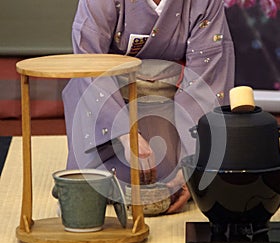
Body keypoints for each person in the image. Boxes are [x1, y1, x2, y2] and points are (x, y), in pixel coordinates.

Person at [62, 0, 235, 214]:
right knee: (86, 183)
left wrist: (194, 165)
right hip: (107, 97)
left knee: (164, 173)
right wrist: (125, 134)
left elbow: (206, 76)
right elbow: (88, 63)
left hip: (172, 101)